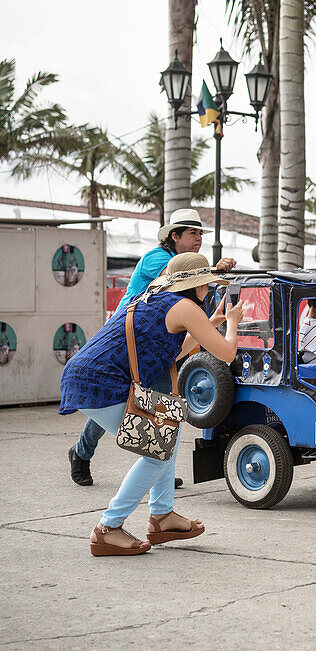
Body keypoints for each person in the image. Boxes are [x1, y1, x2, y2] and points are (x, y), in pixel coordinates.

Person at [59, 253, 243, 556]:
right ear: (196, 285)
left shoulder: (157, 295)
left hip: (87, 373)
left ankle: (162, 516)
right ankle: (108, 528)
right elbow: (226, 354)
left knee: (165, 433)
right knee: (156, 452)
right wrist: (233, 324)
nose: (209, 291)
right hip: (99, 380)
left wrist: (211, 323)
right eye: (207, 285)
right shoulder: (184, 306)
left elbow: (173, 350)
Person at [68, 207, 236, 488]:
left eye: (200, 234)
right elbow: (179, 281)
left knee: (161, 407)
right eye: (192, 233)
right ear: (174, 236)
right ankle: (83, 454)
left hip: (155, 342)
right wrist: (213, 270)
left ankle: (159, 471)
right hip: (128, 342)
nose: (198, 239)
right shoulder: (159, 259)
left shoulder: (184, 264)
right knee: (118, 400)